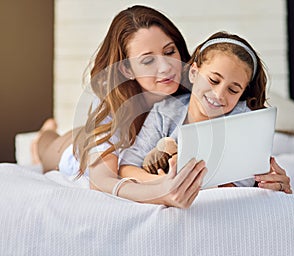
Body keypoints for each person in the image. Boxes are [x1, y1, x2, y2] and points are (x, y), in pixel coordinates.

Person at [32, 5, 207, 208]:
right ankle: (45, 132)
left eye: (169, 51)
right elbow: (102, 182)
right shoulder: (112, 105)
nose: (166, 67)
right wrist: (160, 193)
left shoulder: (196, 92)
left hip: (104, 139)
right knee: (46, 146)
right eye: (148, 60)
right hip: (73, 149)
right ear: (127, 68)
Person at [119, 31, 292, 194]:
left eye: (233, 90)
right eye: (213, 80)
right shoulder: (166, 112)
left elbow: (243, 185)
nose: (218, 95)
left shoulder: (243, 119)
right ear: (194, 73)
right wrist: (162, 185)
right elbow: (127, 167)